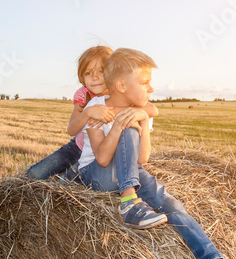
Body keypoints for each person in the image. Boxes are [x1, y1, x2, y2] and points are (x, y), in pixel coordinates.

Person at [77, 47, 236, 259]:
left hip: (132, 171)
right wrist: (120, 126)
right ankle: (129, 203)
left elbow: (142, 158)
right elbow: (101, 158)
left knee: (173, 207)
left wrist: (142, 122)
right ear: (121, 85)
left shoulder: (139, 110)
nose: (151, 89)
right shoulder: (97, 107)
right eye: (145, 82)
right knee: (126, 130)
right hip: (97, 174)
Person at [27, 46, 158, 181]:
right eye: (88, 73)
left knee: (65, 183)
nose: (95, 78)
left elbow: (153, 110)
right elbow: (72, 129)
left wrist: (116, 111)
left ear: (112, 73)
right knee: (35, 175)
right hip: (76, 148)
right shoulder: (83, 96)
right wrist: (88, 112)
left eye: (101, 71)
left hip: (99, 155)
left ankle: (69, 174)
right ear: (81, 77)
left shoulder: (120, 94)